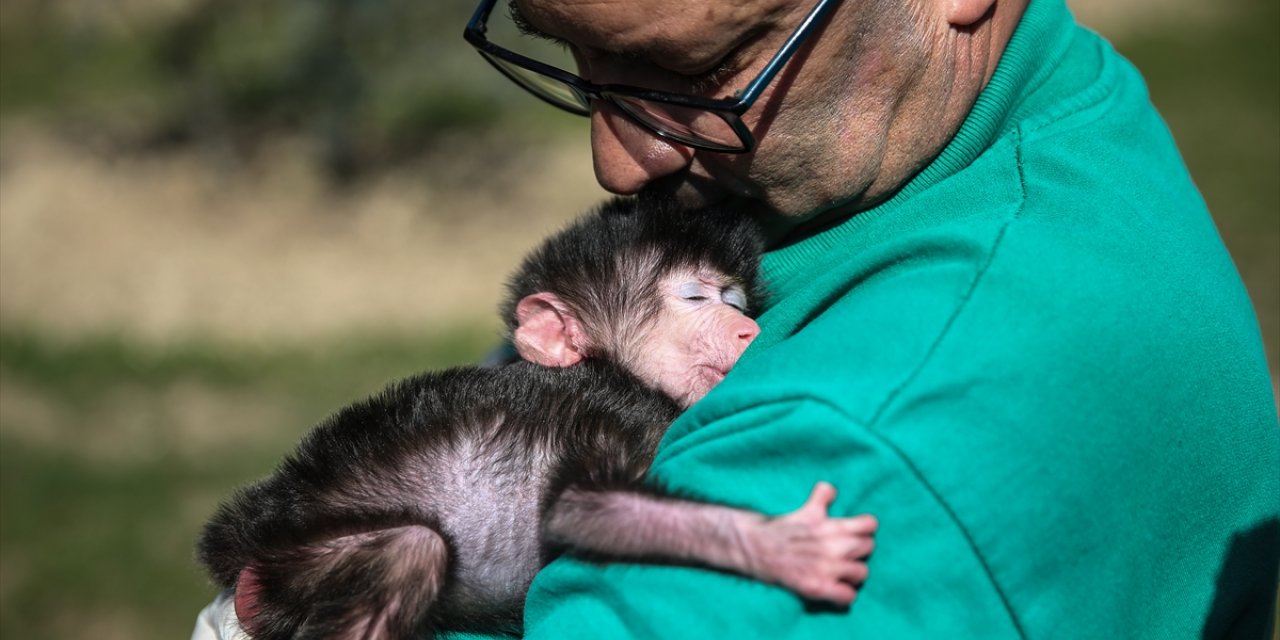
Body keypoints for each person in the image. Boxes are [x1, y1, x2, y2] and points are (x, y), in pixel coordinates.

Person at [462, 0, 1280, 638]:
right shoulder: (1050, 103)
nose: (615, 160)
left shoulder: (864, 450)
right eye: (575, 52)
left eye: (703, 69)